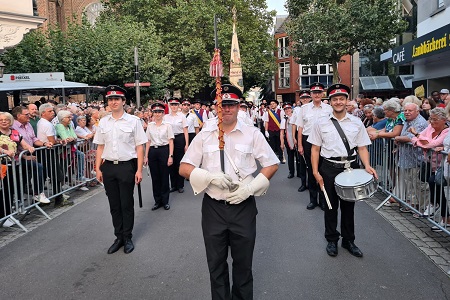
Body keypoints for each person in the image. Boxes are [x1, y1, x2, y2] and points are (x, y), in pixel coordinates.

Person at [179, 84, 279, 300]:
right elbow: (184, 167)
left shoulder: (252, 134)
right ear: (217, 106)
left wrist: (250, 188)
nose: (226, 109)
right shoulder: (205, 135)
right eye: (222, 105)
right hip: (214, 208)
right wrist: (207, 177)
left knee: (243, 266)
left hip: (243, 207)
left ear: (238, 106)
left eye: (231, 105)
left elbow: (272, 164)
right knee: (215, 265)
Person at [308, 84, 377, 257]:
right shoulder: (320, 122)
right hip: (329, 167)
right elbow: (315, 149)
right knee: (330, 207)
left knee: (349, 207)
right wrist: (316, 172)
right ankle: (332, 240)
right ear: (330, 102)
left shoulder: (356, 122)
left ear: (347, 101)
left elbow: (362, 147)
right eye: (334, 99)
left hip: (350, 168)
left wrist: (366, 165)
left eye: (341, 98)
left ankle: (348, 240)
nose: (338, 102)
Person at [93, 85, 147, 254]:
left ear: (123, 101)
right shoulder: (103, 122)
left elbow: (140, 147)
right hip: (108, 167)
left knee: (126, 204)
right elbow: (100, 147)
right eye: (110, 99)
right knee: (114, 205)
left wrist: (139, 170)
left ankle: (128, 237)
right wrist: (97, 169)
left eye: (117, 99)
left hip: (126, 167)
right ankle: (119, 237)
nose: (113, 102)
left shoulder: (134, 121)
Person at [296, 82, 332, 210]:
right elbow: (300, 128)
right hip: (308, 141)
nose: (317, 95)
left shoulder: (329, 109)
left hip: (323, 141)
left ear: (323, 94)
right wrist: (300, 144)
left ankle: (323, 199)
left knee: (323, 170)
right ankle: (313, 199)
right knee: (311, 170)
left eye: (319, 92)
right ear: (311, 94)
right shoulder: (304, 109)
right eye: (314, 92)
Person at [410, 108, 449, 219]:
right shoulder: (430, 127)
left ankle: (441, 213)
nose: (432, 122)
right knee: (434, 185)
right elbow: (414, 140)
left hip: (441, 165)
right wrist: (421, 140)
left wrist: (417, 135)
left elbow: (432, 143)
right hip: (430, 163)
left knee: (437, 186)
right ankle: (443, 215)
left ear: (443, 120)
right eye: (431, 119)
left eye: (435, 119)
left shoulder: (447, 131)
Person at [11, 106, 50, 204]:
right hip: (18, 156)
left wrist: (45, 143)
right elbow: (14, 145)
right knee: (37, 168)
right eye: (26, 114)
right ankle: (37, 193)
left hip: (29, 153)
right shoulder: (13, 127)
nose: (29, 116)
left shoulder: (28, 125)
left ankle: (24, 199)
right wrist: (24, 156)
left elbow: (34, 139)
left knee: (26, 176)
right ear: (18, 115)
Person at [36, 103, 71, 207]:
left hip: (46, 151)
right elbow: (51, 140)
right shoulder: (46, 124)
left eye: (52, 111)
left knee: (51, 174)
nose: (53, 113)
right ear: (43, 113)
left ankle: (49, 198)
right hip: (48, 151)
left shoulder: (43, 122)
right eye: (50, 111)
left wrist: (58, 141)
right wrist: (59, 141)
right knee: (56, 175)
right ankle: (58, 199)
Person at [144, 102, 174, 211]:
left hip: (164, 150)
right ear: (153, 113)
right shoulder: (150, 126)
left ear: (163, 113)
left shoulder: (167, 126)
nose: (157, 114)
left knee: (164, 176)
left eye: (160, 112)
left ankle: (165, 201)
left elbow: (171, 141)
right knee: (155, 177)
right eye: (155, 112)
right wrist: (146, 156)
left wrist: (170, 156)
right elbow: (148, 141)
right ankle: (157, 201)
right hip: (153, 151)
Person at [164, 98, 189, 193]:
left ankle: (180, 185)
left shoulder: (182, 116)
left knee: (179, 162)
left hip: (179, 139)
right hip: (169, 140)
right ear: (170, 106)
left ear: (178, 106)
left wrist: (186, 144)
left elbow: (185, 131)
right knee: (171, 162)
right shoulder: (165, 117)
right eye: (172, 105)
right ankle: (173, 184)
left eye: (175, 105)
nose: (174, 107)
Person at [280, 102, 296, 178]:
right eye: (285, 109)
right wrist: (282, 143)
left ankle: (299, 172)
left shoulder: (296, 117)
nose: (287, 110)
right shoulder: (284, 120)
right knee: (290, 157)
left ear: (291, 109)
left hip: (296, 138)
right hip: (288, 140)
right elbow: (282, 133)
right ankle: (291, 172)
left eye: (289, 108)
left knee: (299, 157)